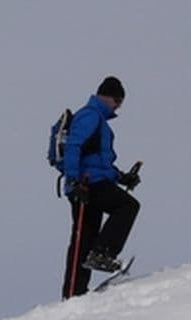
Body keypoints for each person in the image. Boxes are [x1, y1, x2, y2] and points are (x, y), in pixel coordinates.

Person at [61, 76, 141, 300]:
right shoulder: (89, 116)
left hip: (90, 182)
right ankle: (102, 253)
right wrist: (74, 181)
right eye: (118, 101)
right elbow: (73, 147)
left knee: (84, 237)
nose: (118, 107)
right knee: (127, 206)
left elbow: (98, 161)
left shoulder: (98, 121)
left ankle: (75, 293)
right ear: (107, 97)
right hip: (86, 184)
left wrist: (122, 177)